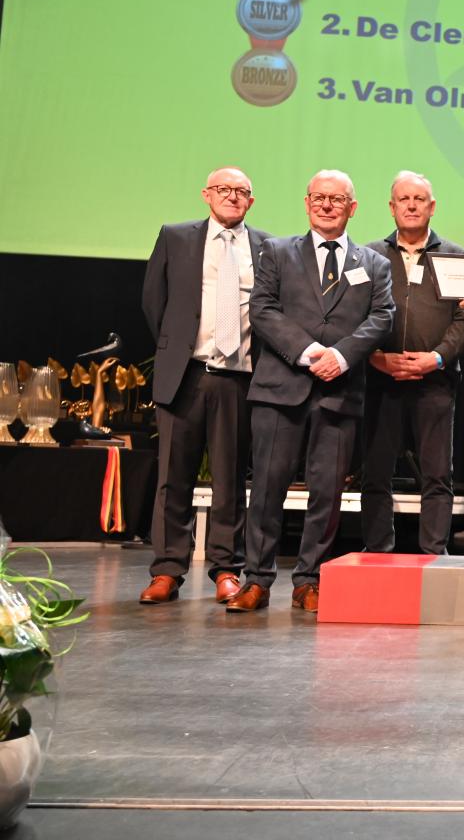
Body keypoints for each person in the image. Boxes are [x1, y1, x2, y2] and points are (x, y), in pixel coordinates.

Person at [227, 170, 394, 614]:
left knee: (327, 494)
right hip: (280, 389)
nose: (326, 205)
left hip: (339, 391)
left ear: (352, 208)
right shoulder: (276, 251)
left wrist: (341, 356)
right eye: (318, 197)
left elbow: (382, 316)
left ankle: (309, 580)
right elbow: (262, 308)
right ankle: (257, 579)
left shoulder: (374, 263)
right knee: (267, 489)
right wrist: (307, 351)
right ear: (306, 203)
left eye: (336, 199)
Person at [139, 167, 269, 605]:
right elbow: (154, 302)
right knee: (173, 477)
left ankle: (226, 569)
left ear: (251, 201)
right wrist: (176, 348)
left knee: (229, 480)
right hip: (186, 374)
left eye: (241, 191)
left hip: (239, 378)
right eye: (223, 189)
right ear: (206, 195)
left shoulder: (267, 246)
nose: (232, 196)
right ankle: (167, 570)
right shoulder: (175, 237)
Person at [359, 172, 464, 555]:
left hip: (435, 381)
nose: (411, 205)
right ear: (392, 207)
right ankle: (378, 551)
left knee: (437, 475)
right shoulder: (368, 255)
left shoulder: (456, 257)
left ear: (432, 206)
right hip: (382, 380)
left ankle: (433, 555)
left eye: (419, 199)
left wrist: (436, 358)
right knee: (376, 473)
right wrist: (375, 357)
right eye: (404, 199)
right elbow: (353, 315)